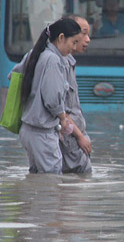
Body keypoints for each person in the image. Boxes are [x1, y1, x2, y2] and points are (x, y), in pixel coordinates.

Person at [16, 17, 83, 174]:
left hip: (27, 131)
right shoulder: (53, 60)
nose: (74, 48)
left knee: (36, 177)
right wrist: (62, 118)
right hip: (42, 133)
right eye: (73, 42)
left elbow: (13, 75)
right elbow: (52, 100)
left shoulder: (35, 54)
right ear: (61, 38)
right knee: (51, 181)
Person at [61, 15, 93, 174]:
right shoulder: (59, 63)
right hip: (70, 138)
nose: (88, 40)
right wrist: (80, 136)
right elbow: (61, 110)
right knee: (80, 175)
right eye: (83, 33)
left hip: (74, 136)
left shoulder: (69, 62)